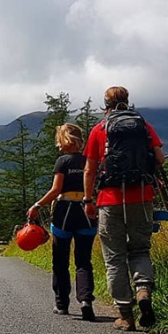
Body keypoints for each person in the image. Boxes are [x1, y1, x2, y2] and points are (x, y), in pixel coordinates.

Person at [83, 87, 165, 331]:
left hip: (110, 200)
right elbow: (160, 158)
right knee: (140, 250)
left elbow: (89, 169)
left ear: (104, 104)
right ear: (128, 101)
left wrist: (88, 200)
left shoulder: (99, 130)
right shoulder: (143, 125)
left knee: (115, 258)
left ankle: (126, 315)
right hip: (141, 196)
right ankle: (143, 292)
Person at [27, 123, 97, 321]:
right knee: (83, 261)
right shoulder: (89, 161)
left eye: (59, 141)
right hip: (86, 211)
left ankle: (62, 303)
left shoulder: (62, 162)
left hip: (64, 213)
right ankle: (85, 300)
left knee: (60, 261)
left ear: (65, 141)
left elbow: (55, 190)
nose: (57, 145)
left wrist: (37, 205)